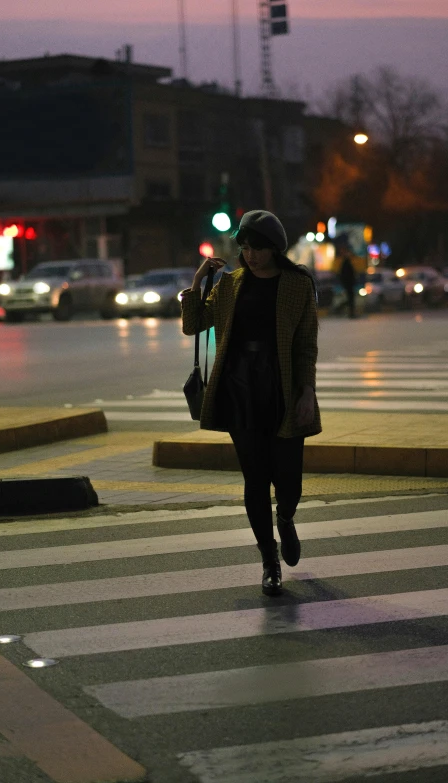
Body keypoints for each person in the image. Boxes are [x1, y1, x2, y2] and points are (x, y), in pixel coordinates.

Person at [181, 210, 321, 596]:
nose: (250, 254)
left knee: (288, 480)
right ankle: (268, 560)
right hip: (239, 390)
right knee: (255, 480)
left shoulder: (297, 285)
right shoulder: (230, 285)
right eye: (244, 247)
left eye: (257, 247)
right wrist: (197, 281)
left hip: (282, 389)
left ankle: (287, 516)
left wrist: (307, 391)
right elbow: (194, 325)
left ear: (274, 248)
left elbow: (306, 345)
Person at [338, 252, 357, 318]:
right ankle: (351, 313)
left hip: (348, 284)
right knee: (350, 299)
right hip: (349, 284)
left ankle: (350, 312)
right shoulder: (347, 264)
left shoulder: (345, 264)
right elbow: (347, 275)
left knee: (350, 299)